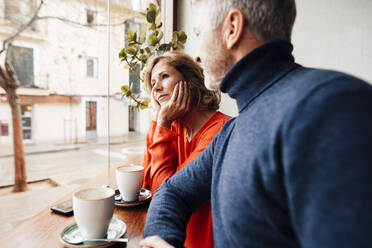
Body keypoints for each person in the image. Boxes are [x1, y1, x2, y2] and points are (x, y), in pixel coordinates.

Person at [140, 0, 372, 247]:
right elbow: (171, 192)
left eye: (199, 34)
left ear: (232, 28)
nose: (196, 55)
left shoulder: (332, 105)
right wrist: (160, 238)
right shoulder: (230, 134)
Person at [141, 50, 231, 248]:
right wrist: (158, 118)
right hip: (177, 238)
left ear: (189, 81)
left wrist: (162, 122)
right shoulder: (175, 126)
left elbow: (163, 194)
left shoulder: (220, 131)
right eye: (153, 82)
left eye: (164, 76)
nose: (156, 87)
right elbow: (147, 180)